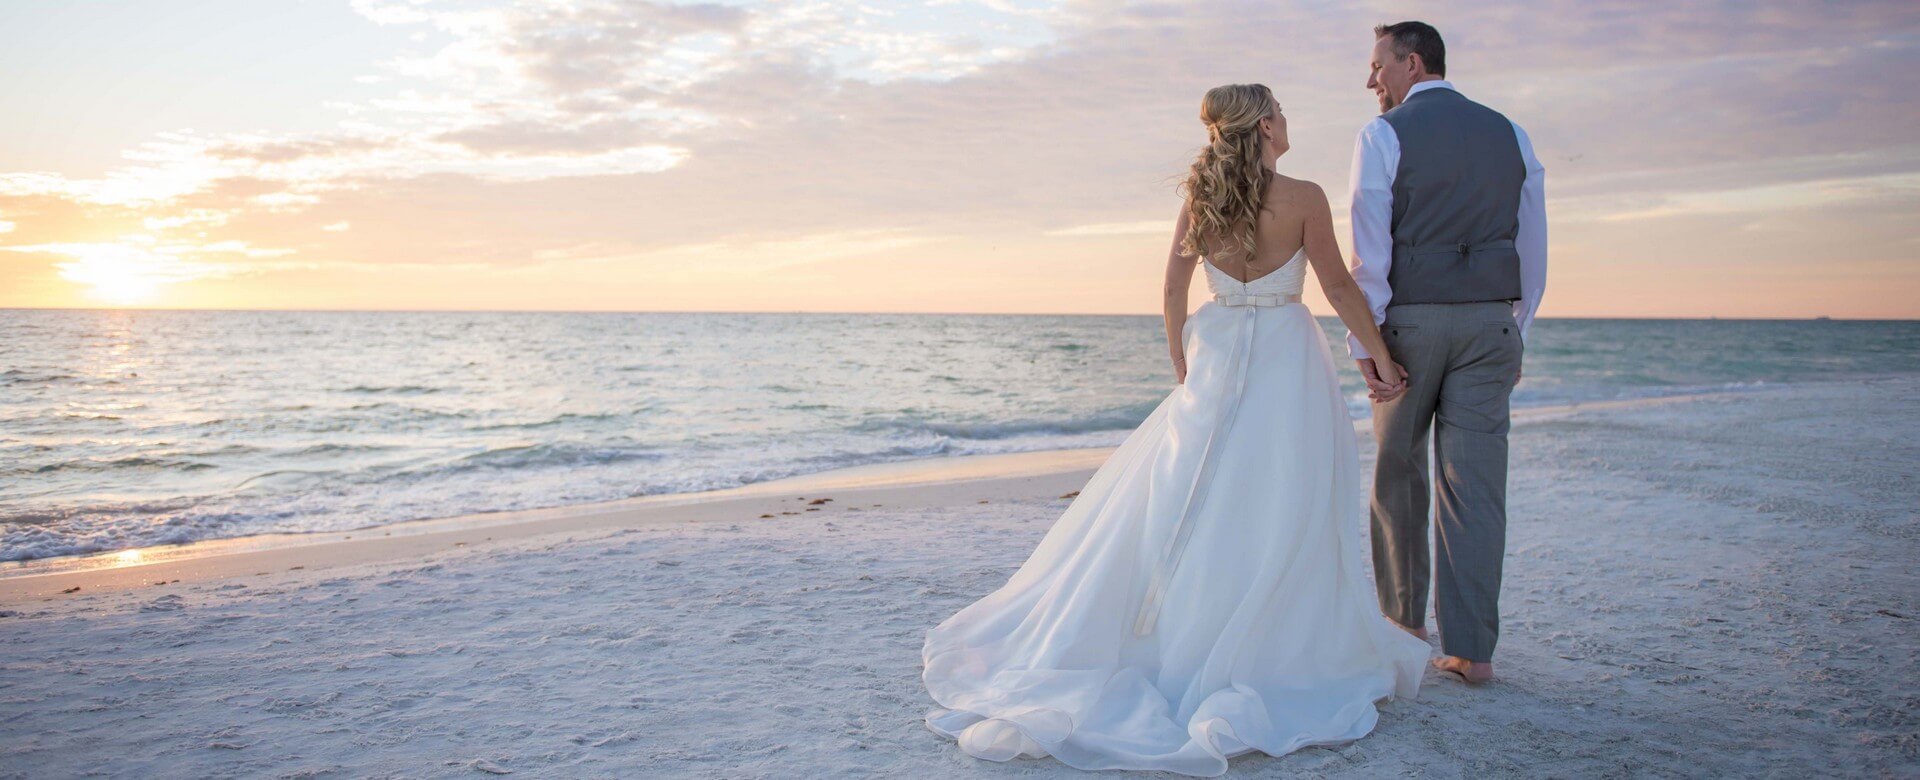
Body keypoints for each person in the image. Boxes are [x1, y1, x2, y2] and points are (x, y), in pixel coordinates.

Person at [920, 82, 1431, 777]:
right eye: (1280, 112)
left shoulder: (1201, 196)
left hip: (1216, 349)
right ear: (1264, 125)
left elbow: (1171, 289)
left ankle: (1175, 630)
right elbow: (1339, 288)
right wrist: (1381, 358)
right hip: (1285, 352)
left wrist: (1182, 360)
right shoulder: (1305, 196)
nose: (1288, 121)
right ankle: (1267, 636)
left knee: (1191, 496)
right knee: (1281, 494)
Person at [1349, 21, 1548, 685]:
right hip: (1491, 325)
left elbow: (1370, 249)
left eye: (1379, 65)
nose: (1372, 80)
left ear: (1411, 61)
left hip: (1410, 323)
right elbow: (1532, 246)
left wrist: (1366, 342)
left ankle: (1404, 626)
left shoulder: (1383, 134)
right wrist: (1513, 324)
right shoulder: (1511, 133)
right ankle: (1471, 653)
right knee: (1476, 489)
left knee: (1398, 475)